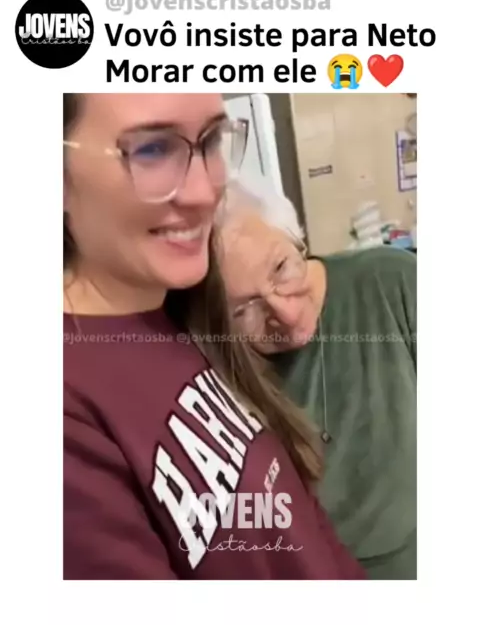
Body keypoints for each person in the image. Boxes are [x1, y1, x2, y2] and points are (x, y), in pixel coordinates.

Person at [63, 93, 365, 580]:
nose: (205, 192)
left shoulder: (182, 310)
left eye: (211, 141)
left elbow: (302, 521)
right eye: (152, 150)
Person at [218, 178, 417, 580]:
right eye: (244, 310)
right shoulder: (218, 372)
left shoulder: (393, 282)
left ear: (297, 240)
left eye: (281, 268)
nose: (286, 314)